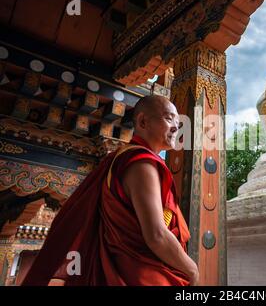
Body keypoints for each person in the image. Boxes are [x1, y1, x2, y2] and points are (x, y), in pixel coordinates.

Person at [22, 95, 199, 286]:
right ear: (142, 121)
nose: (175, 127)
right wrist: (192, 270)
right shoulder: (142, 162)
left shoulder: (122, 159)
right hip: (142, 275)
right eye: (168, 118)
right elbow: (156, 235)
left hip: (124, 268)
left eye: (178, 122)